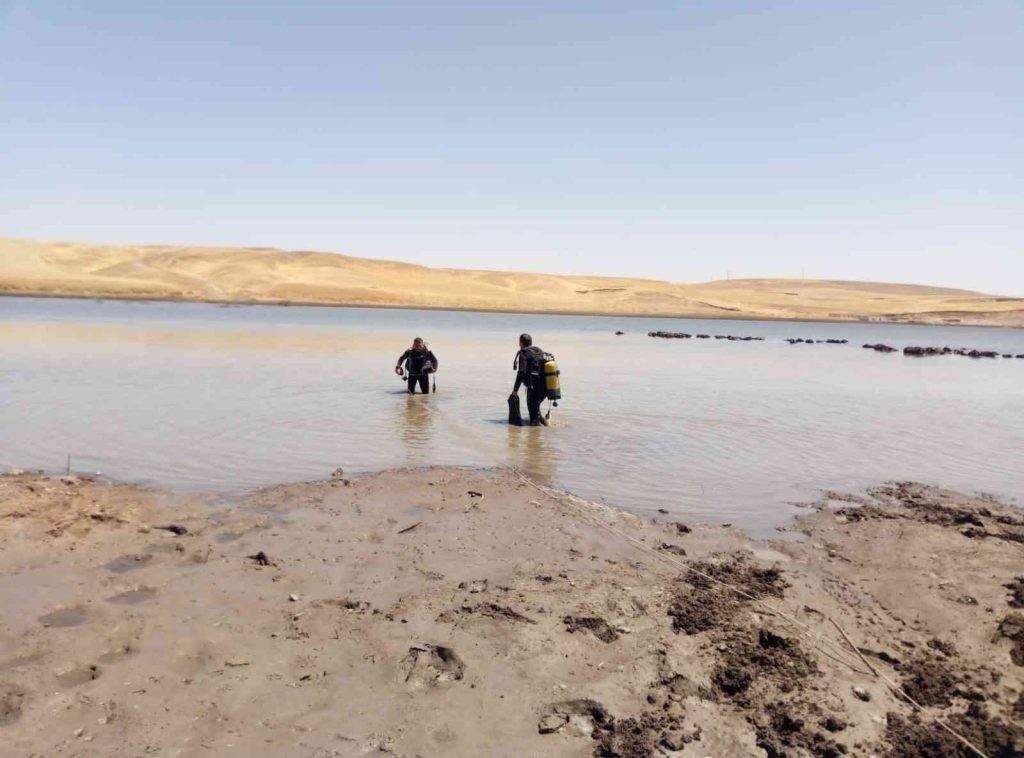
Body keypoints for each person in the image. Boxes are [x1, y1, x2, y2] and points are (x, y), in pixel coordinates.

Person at [510, 333, 548, 426]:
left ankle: (535, 435)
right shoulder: (539, 351)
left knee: (533, 417)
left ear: (521, 343)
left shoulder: (524, 353)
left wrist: (515, 390)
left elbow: (521, 373)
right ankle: (547, 426)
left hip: (534, 389)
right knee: (536, 410)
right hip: (546, 388)